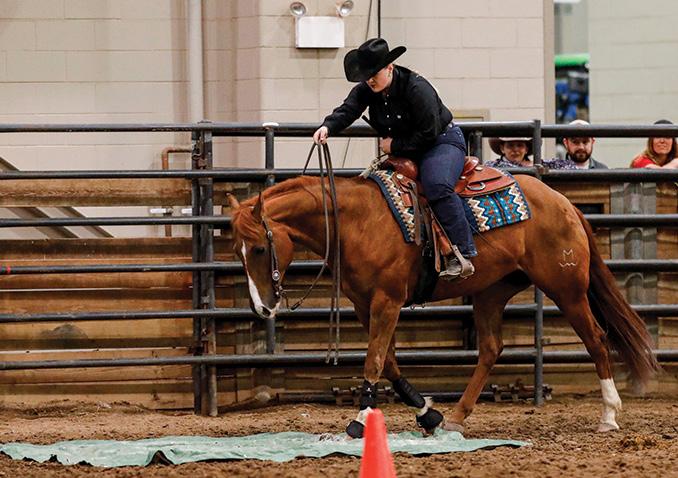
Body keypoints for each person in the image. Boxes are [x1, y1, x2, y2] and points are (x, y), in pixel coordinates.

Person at [313, 38, 476, 280]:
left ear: (389, 68)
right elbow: (349, 109)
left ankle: (462, 252)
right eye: (366, 76)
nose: (370, 80)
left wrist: (394, 145)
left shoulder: (417, 88)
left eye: (374, 74)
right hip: (409, 147)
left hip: (440, 142)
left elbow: (429, 132)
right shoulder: (368, 89)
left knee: (437, 184)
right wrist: (328, 127)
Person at [487, 136, 577, 170]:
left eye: (520, 145)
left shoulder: (538, 164)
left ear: (526, 149)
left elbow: (569, 166)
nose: (515, 150)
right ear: (502, 149)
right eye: (510, 146)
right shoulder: (493, 166)